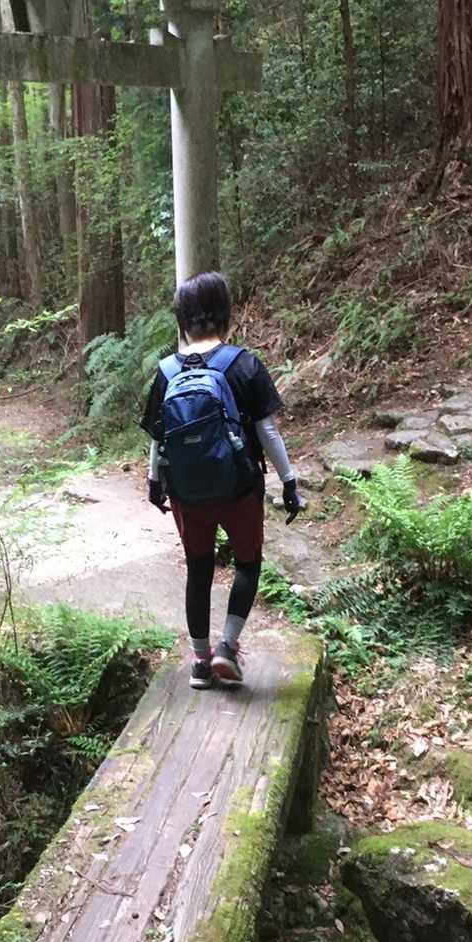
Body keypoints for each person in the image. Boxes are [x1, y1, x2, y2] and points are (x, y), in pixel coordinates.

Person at [140, 271, 304, 689]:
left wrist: (154, 482)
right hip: (239, 488)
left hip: (187, 491)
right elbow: (267, 432)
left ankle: (199, 662)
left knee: (198, 569)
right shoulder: (244, 364)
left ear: (182, 320)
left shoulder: (166, 371)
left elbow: (159, 436)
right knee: (248, 563)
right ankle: (227, 648)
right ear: (226, 314)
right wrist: (289, 481)